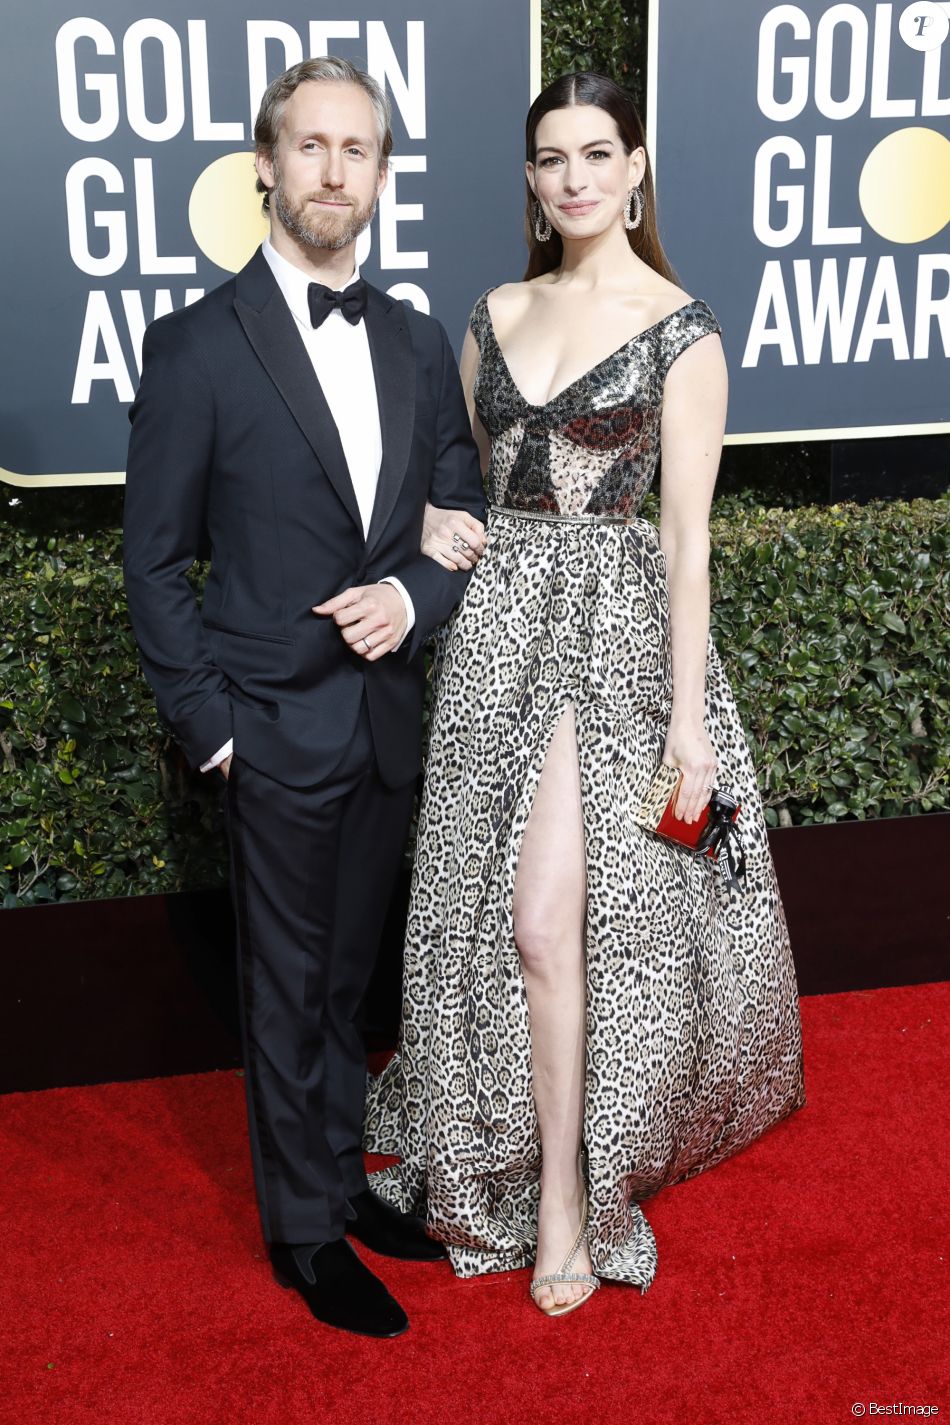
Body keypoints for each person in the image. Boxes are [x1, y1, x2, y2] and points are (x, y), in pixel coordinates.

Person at [364, 71, 806, 1316]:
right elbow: (452, 486)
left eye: (594, 153)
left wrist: (684, 722)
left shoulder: (683, 329)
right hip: (494, 638)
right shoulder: (490, 312)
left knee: (548, 920)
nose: (571, 178)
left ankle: (566, 1197)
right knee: (477, 906)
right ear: (529, 176)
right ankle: (490, 1117)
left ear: (636, 167)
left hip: (612, 652)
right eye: (549, 158)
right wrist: (435, 548)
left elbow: (685, 543)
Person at [123, 57, 486, 1339]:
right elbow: (155, 567)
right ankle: (302, 1235)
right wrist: (214, 729)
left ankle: (342, 1179)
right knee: (282, 987)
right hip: (267, 733)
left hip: (384, 719)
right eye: (311, 146)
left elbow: (460, 508)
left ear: (382, 173)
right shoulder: (196, 348)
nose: (335, 171)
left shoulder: (411, 337)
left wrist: (413, 602)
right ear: (265, 164)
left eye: (359, 150)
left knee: (342, 983)